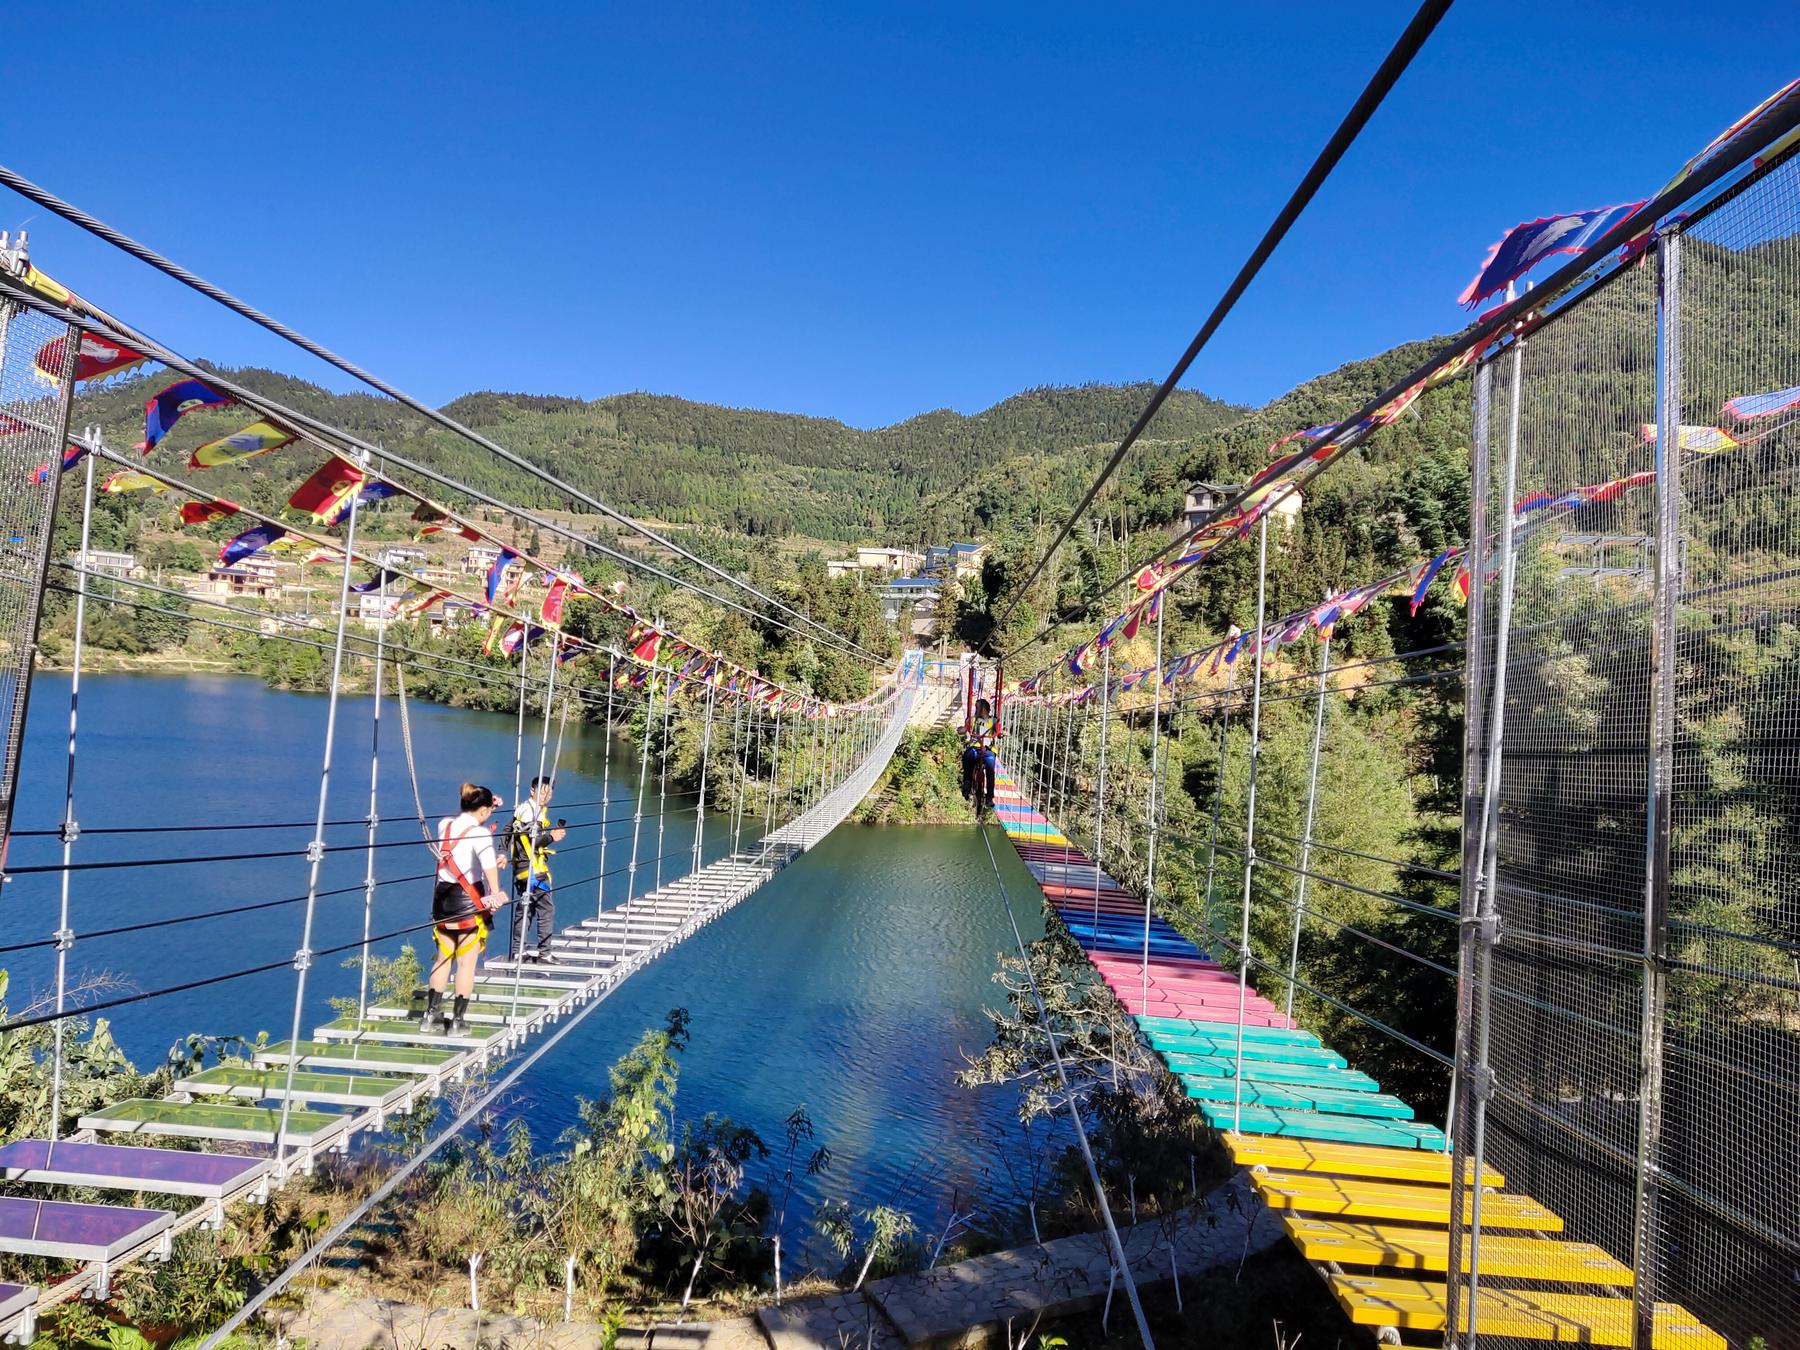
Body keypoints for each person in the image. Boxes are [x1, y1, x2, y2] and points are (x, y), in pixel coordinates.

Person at [424, 783, 508, 1036]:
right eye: (489, 810)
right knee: (466, 964)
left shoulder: (444, 825)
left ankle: (431, 1016)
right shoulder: (481, 834)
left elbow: (466, 799)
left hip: (442, 900)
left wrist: (487, 803)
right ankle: (458, 1021)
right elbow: (488, 866)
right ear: (483, 810)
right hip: (468, 902)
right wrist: (495, 893)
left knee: (442, 959)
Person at [508, 775, 567, 963]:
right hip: (534, 870)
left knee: (527, 908)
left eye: (549, 793)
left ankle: (518, 950)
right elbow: (534, 840)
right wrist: (552, 837)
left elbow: (506, 833)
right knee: (546, 909)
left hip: (522, 869)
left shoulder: (521, 809)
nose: (546, 796)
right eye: (542, 792)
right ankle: (545, 952)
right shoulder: (532, 813)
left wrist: (503, 854)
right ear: (532, 791)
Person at [961, 698, 999, 811]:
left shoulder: (994, 721)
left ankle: (989, 797)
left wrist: (1001, 734)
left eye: (977, 708)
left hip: (987, 749)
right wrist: (962, 730)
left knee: (990, 767)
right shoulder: (972, 720)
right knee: (968, 756)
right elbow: (965, 728)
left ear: (983, 709)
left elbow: (999, 731)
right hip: (975, 747)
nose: (976, 710)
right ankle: (967, 782)